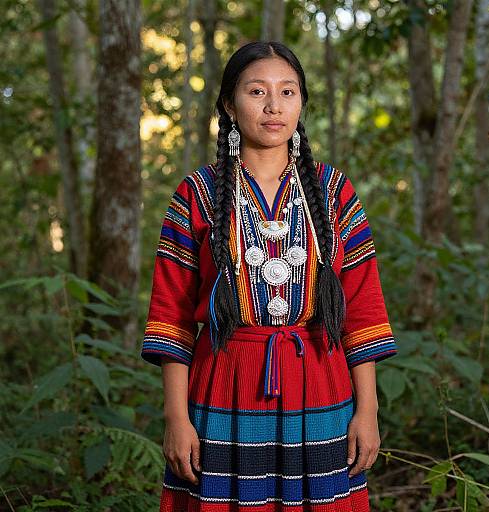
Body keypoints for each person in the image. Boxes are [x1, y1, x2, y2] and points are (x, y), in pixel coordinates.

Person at [140, 41, 398, 511]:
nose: (274, 106)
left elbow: (362, 310)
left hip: (321, 383)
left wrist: (369, 409)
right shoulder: (195, 195)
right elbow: (171, 320)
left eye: (288, 92)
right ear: (229, 105)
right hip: (226, 386)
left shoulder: (334, 191)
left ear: (301, 102)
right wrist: (176, 417)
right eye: (257, 92)